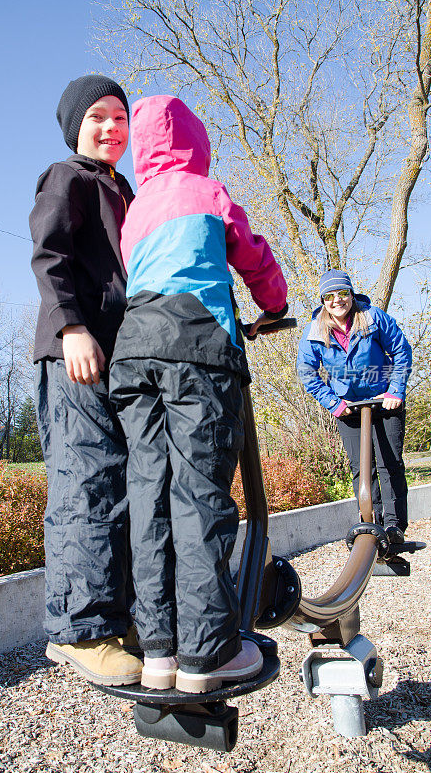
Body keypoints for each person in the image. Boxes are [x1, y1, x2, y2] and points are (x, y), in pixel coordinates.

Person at [109, 95, 288, 693]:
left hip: (134, 351)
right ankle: (206, 655)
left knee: (149, 495)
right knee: (200, 495)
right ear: (195, 142)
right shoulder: (207, 192)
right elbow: (252, 254)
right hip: (197, 349)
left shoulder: (136, 209)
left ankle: (158, 651)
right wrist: (275, 306)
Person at [30, 74, 143, 686]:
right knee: (87, 484)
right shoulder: (66, 177)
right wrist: (72, 327)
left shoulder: (123, 189)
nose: (110, 127)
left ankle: (115, 618)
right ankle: (80, 632)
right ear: (75, 125)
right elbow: (49, 256)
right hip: (73, 352)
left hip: (117, 357)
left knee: (122, 486)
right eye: (98, 116)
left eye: (120, 117)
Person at [296, 270, 412, 544]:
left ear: (351, 294)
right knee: (361, 468)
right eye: (330, 296)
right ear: (323, 301)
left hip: (385, 402)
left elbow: (401, 350)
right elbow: (307, 372)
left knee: (389, 464)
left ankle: (394, 527)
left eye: (343, 293)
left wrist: (395, 390)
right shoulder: (315, 330)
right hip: (347, 408)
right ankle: (370, 520)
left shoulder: (373, 317)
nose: (338, 300)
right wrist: (333, 403)